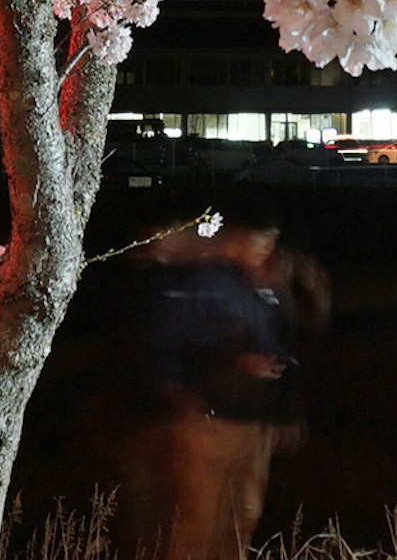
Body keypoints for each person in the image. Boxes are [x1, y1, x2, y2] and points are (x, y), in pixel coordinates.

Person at [112, 217, 299, 560]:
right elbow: (179, 344)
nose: (265, 248)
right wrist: (229, 367)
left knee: (242, 516)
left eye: (271, 242)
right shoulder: (206, 281)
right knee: (201, 520)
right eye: (260, 239)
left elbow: (280, 341)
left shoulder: (258, 286)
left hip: (252, 421)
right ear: (238, 236)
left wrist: (281, 407)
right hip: (210, 420)